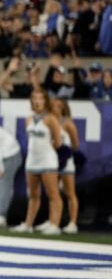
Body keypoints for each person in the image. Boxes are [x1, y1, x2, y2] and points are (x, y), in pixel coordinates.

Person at [14, 88, 63, 235]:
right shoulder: (28, 118)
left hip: (47, 160)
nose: (37, 101)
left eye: (40, 98)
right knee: (33, 195)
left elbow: (58, 142)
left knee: (53, 194)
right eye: (34, 98)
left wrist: (47, 150)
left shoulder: (51, 118)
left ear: (45, 100)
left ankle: (54, 224)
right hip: (32, 160)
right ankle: (28, 224)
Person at [51, 97, 81, 235]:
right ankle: (53, 221)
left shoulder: (67, 123)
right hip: (51, 160)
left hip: (65, 160)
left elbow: (76, 144)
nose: (55, 108)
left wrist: (64, 152)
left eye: (58, 106)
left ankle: (73, 222)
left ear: (63, 108)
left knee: (69, 192)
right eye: (53, 105)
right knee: (53, 193)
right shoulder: (49, 121)